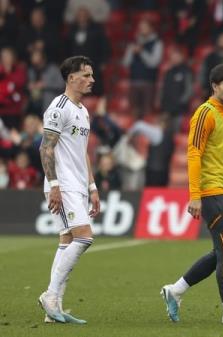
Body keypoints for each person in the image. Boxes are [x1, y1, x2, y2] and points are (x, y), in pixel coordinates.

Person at [160, 64, 223, 325]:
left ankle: (176, 290)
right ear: (214, 86)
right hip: (210, 190)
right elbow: (193, 153)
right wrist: (195, 195)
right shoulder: (204, 114)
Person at [38, 55, 100, 324]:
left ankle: (54, 310)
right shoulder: (58, 107)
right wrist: (54, 186)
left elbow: (82, 153)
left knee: (66, 241)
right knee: (84, 238)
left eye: (91, 75)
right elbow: (46, 147)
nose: (91, 80)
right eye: (86, 75)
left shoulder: (83, 111)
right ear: (71, 77)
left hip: (78, 185)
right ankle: (50, 295)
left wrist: (93, 186)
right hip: (62, 185)